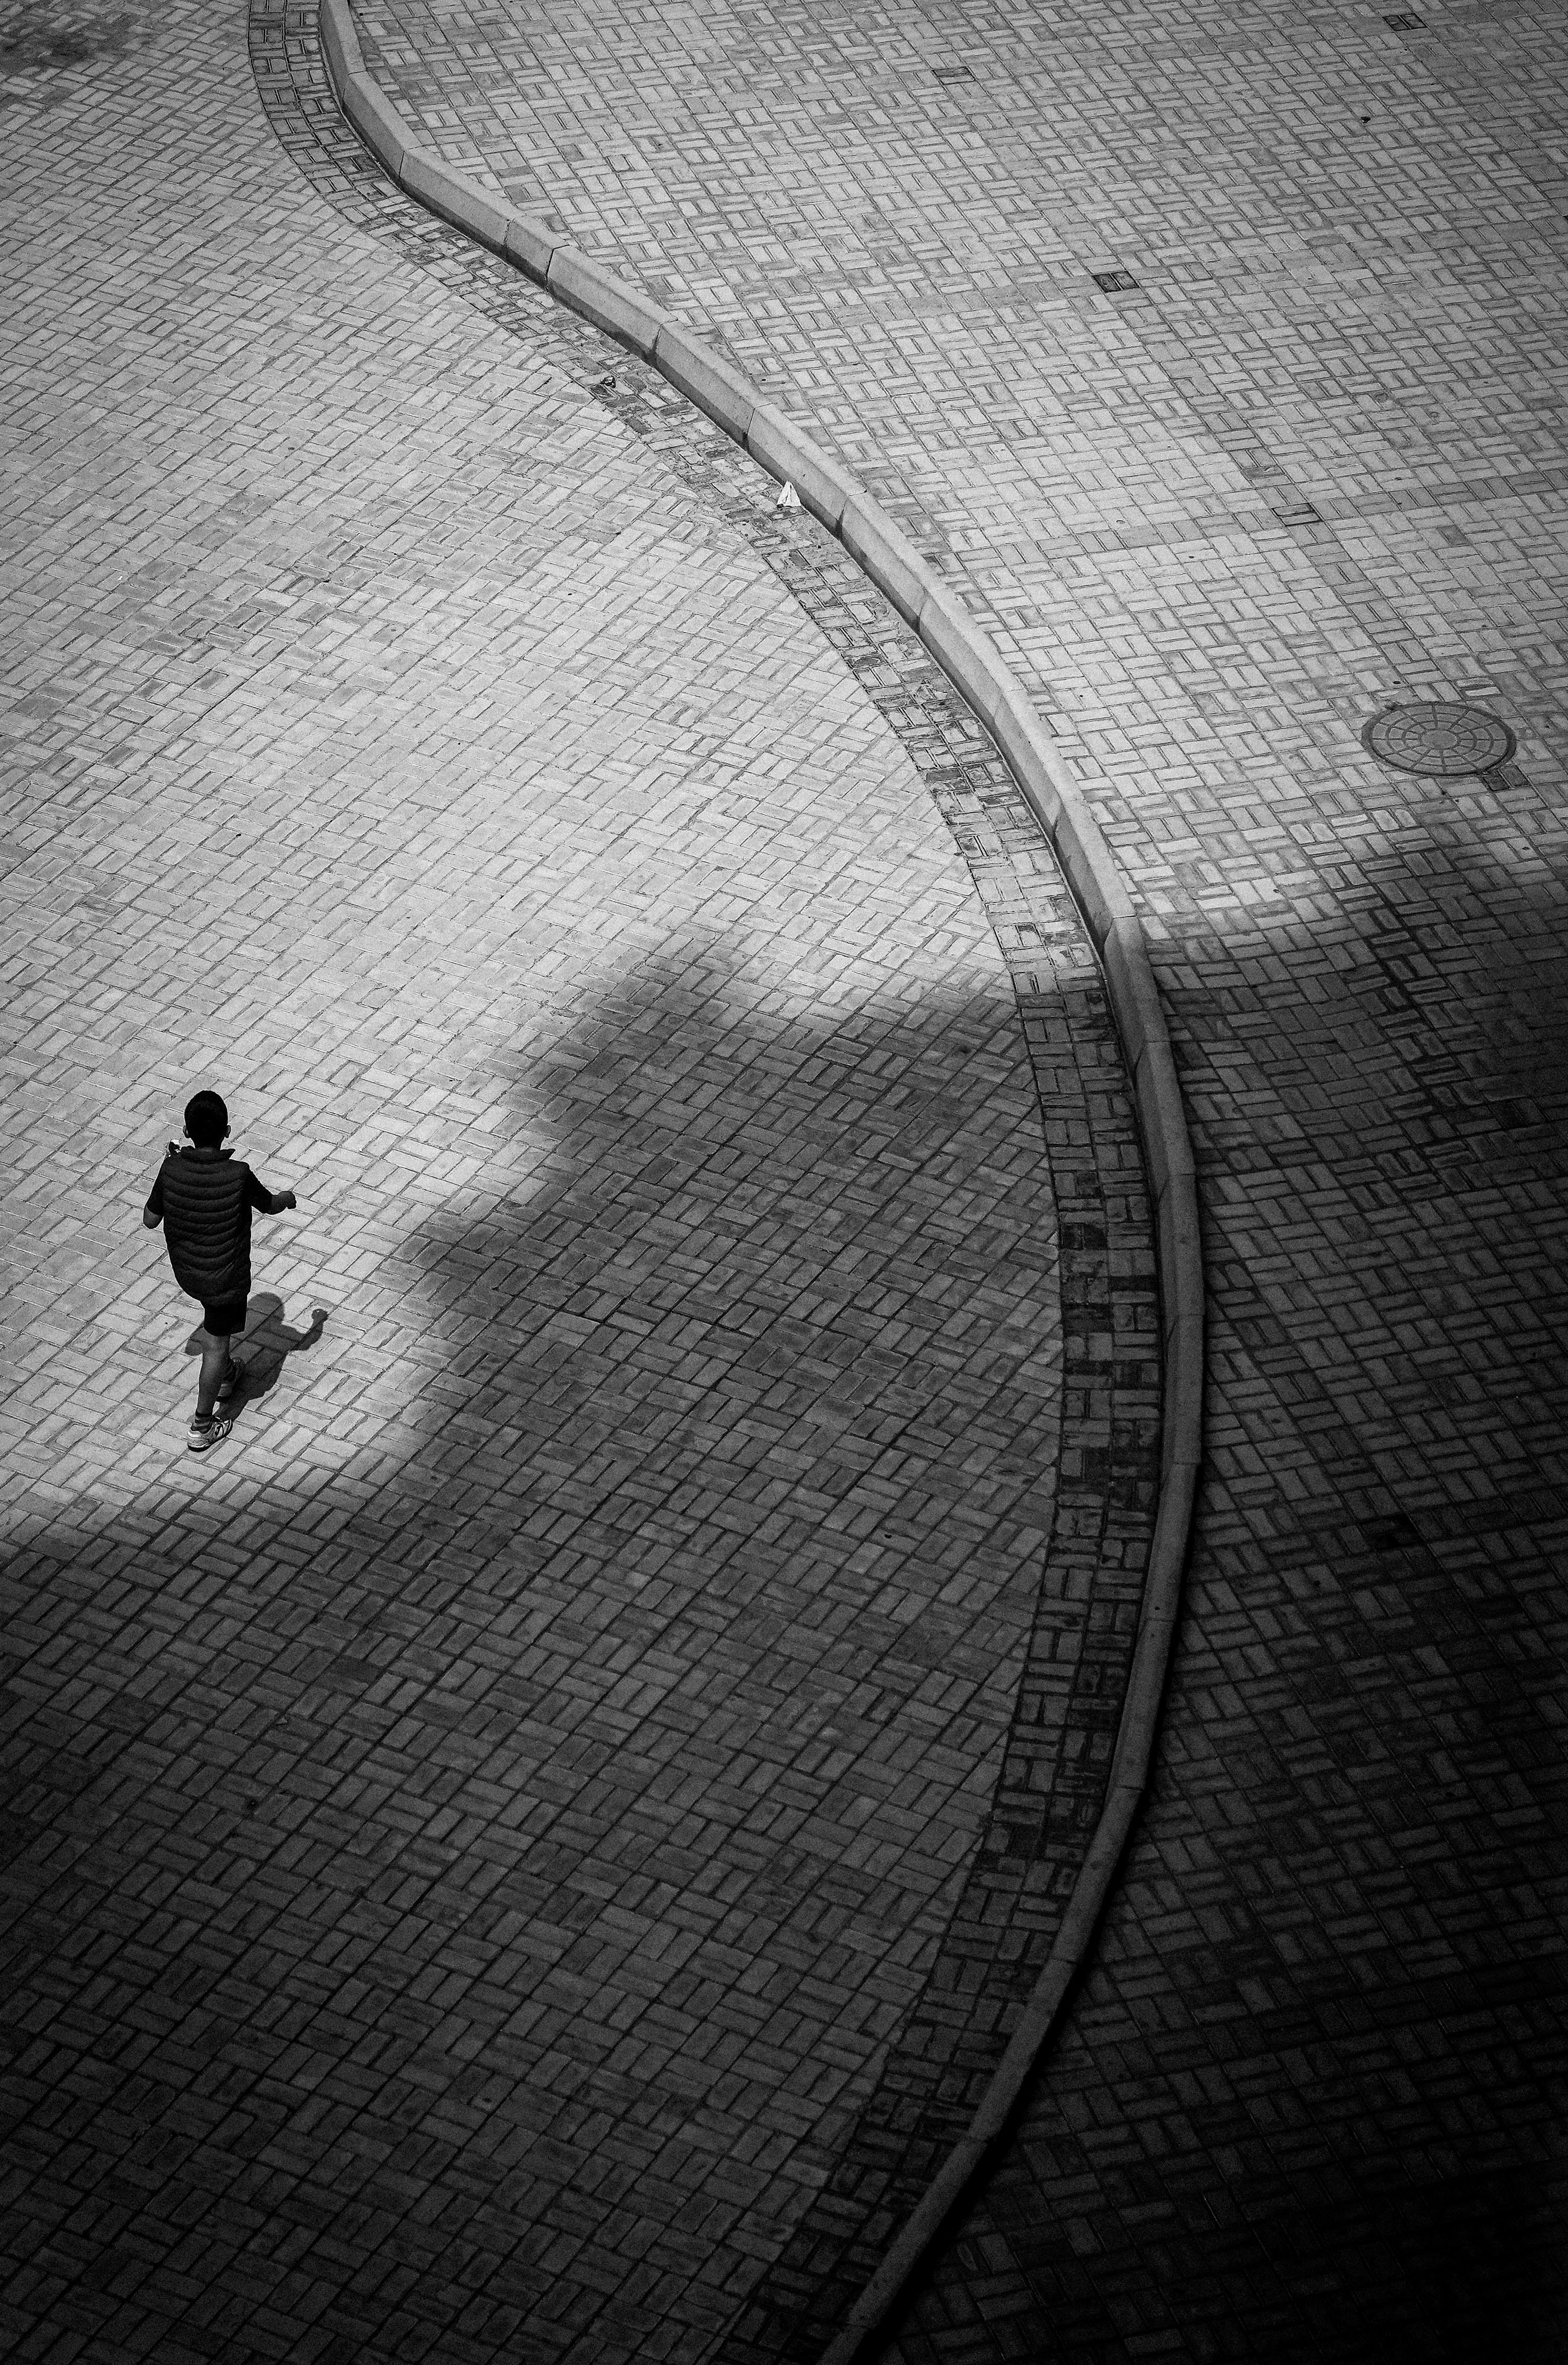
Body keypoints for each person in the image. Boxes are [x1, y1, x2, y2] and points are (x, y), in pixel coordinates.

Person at [143, 1090, 299, 1452]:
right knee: (215, 1343)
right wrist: (288, 1198)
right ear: (227, 1131)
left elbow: (150, 1220)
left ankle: (228, 1373)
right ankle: (202, 1424)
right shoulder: (239, 1174)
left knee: (215, 1332)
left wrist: (170, 1170)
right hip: (224, 1278)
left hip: (189, 1273)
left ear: (185, 1130)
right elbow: (271, 1206)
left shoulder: (171, 1168)